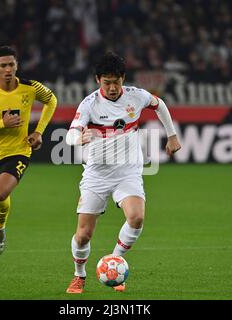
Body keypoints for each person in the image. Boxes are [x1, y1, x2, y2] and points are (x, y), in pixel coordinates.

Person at [64, 52, 181, 293]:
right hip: (97, 173)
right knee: (84, 234)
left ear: (123, 79)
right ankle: (79, 275)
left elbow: (159, 105)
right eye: (107, 82)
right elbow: (70, 134)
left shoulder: (136, 96)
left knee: (136, 218)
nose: (113, 87)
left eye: (116, 81)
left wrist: (171, 135)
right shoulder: (90, 104)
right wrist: (79, 137)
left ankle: (115, 261)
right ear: (98, 80)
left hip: (128, 171)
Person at [0, 46, 57, 272]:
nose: (8, 69)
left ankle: (0, 227)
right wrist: (1, 124)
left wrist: (38, 132)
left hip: (18, 152)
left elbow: (52, 100)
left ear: (17, 66)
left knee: (0, 193)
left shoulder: (29, 88)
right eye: (3, 65)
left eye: (12, 65)